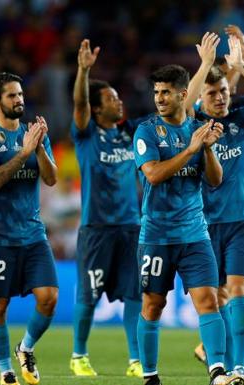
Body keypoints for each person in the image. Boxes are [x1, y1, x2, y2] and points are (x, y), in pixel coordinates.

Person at [133, 64, 244, 385]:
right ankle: (151, 376)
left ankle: (217, 373)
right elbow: (154, 174)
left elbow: (215, 180)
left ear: (183, 94)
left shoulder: (199, 128)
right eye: (156, 92)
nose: (159, 98)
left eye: (166, 92)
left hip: (195, 234)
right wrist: (192, 149)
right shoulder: (146, 131)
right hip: (157, 235)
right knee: (153, 305)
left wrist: (208, 149)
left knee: (208, 301)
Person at [190, 35, 244, 378]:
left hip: (242, 220)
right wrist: (203, 66)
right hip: (203, 224)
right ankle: (219, 365)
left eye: (224, 91)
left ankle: (240, 367)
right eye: (212, 93)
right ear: (201, 97)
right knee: (213, 299)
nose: (220, 97)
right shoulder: (192, 124)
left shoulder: (242, 121)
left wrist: (242, 67)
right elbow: (182, 109)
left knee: (240, 291)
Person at [0, 72, 59, 385]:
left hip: (33, 234)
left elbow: (51, 178)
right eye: (11, 95)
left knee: (49, 297)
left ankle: (26, 347)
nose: (19, 100)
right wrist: (23, 152)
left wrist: (37, 148)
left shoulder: (33, 133)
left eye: (20, 94)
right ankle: (5, 371)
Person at [69, 38, 143, 378]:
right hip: (97, 228)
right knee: (89, 295)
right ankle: (78, 355)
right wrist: (84, 70)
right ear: (97, 109)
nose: (119, 101)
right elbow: (80, 103)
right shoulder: (86, 135)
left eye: (118, 96)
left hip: (131, 226)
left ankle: (135, 359)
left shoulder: (130, 134)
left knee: (134, 294)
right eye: (112, 98)